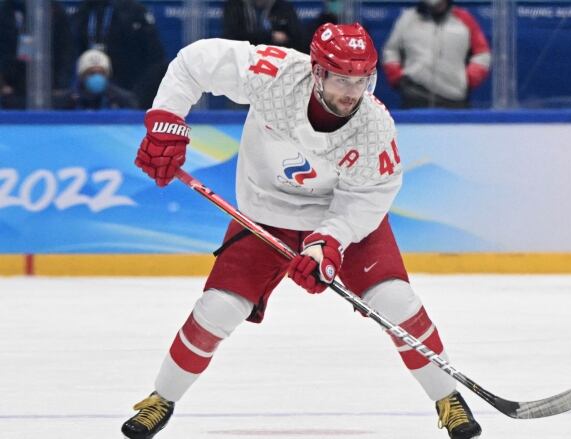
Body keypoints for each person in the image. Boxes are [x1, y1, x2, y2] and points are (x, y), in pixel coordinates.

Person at [120, 23, 482, 439]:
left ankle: (448, 398)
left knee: (398, 303)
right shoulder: (275, 75)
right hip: (265, 214)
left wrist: (328, 242)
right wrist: (166, 119)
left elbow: (368, 197)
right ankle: (161, 399)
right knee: (217, 309)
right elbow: (195, 62)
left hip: (339, 219)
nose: (351, 91)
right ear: (317, 71)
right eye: (341, 79)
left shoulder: (375, 128)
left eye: (361, 80)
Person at [381, 0, 491, 109]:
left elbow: (482, 53)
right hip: (414, 94)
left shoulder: (464, 19)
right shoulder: (408, 18)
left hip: (454, 98)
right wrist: (398, 77)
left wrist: (467, 79)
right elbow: (391, 50)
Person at [71, 0, 166, 109]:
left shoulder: (134, 12)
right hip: (90, 88)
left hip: (129, 86)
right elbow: (72, 50)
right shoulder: (84, 11)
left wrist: (140, 92)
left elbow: (154, 55)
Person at [0, 0, 72, 108]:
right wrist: (3, 83)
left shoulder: (56, 12)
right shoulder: (5, 12)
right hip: (12, 88)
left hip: (51, 88)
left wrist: (60, 84)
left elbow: (65, 51)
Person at [55, 49, 138, 110]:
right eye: (92, 73)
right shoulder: (67, 100)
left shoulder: (122, 99)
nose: (97, 77)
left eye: (101, 73)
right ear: (82, 76)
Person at [222, 0, 306, 53]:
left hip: (277, 59)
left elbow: (297, 37)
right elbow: (231, 37)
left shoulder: (283, 7)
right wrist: (270, 36)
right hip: (244, 57)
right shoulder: (235, 5)